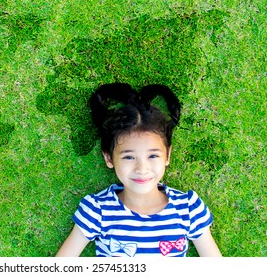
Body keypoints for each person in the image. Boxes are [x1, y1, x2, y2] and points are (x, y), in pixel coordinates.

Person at [56, 83, 221, 257]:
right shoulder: (97, 210)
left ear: (167, 156)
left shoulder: (188, 209)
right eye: (129, 157)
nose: (142, 169)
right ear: (109, 158)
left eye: (153, 156)